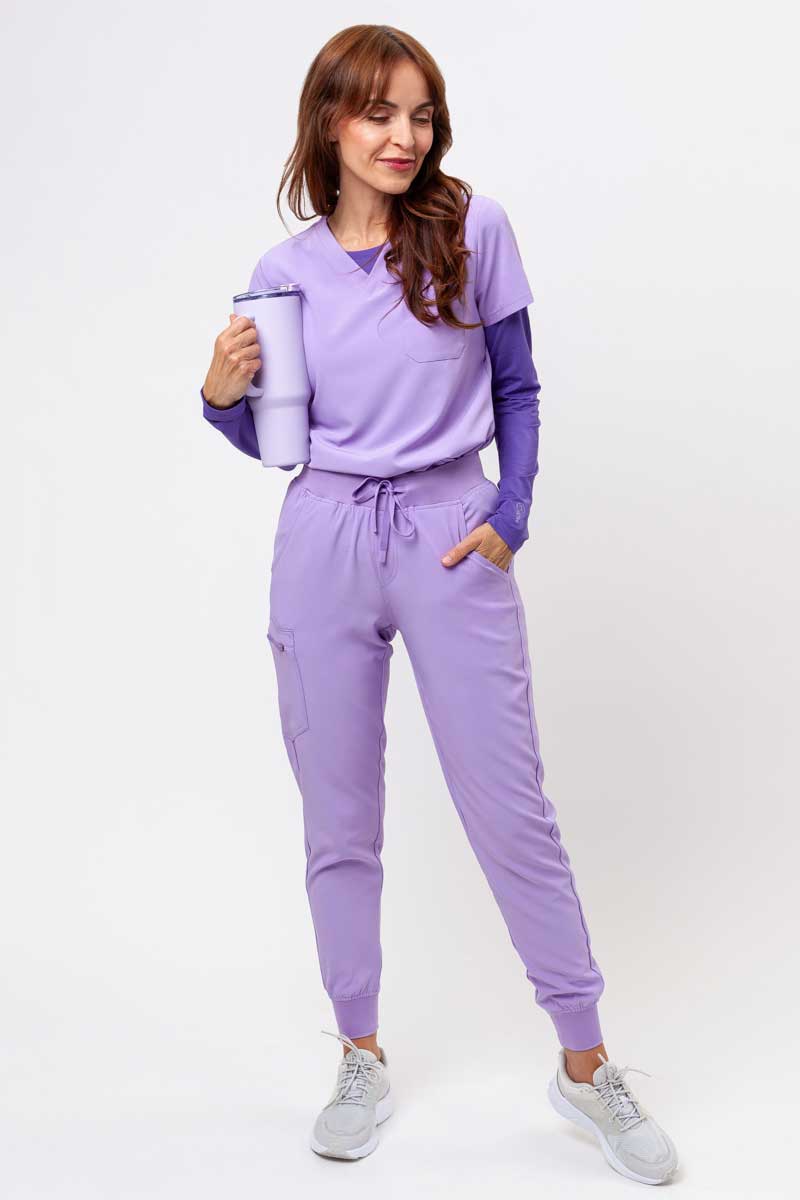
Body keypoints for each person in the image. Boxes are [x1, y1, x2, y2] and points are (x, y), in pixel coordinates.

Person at [200, 23, 678, 1186]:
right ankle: (357, 1054)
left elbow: (517, 384)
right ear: (328, 123)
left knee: (508, 808)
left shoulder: (474, 229)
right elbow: (275, 440)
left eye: (418, 114)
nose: (402, 136)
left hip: (448, 533)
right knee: (337, 814)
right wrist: (216, 399)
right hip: (322, 536)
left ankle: (584, 1067)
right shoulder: (283, 271)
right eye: (377, 113)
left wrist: (510, 511)